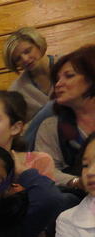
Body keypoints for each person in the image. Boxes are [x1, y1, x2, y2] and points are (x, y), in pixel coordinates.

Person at [34, 45, 95, 190]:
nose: (58, 84)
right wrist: (77, 182)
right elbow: (44, 169)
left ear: (92, 77)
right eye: (57, 79)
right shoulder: (50, 126)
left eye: (69, 76)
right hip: (77, 196)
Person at [4, 27, 56, 125]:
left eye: (27, 51)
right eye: (18, 59)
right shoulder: (16, 90)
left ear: (38, 45)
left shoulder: (69, 65)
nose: (25, 59)